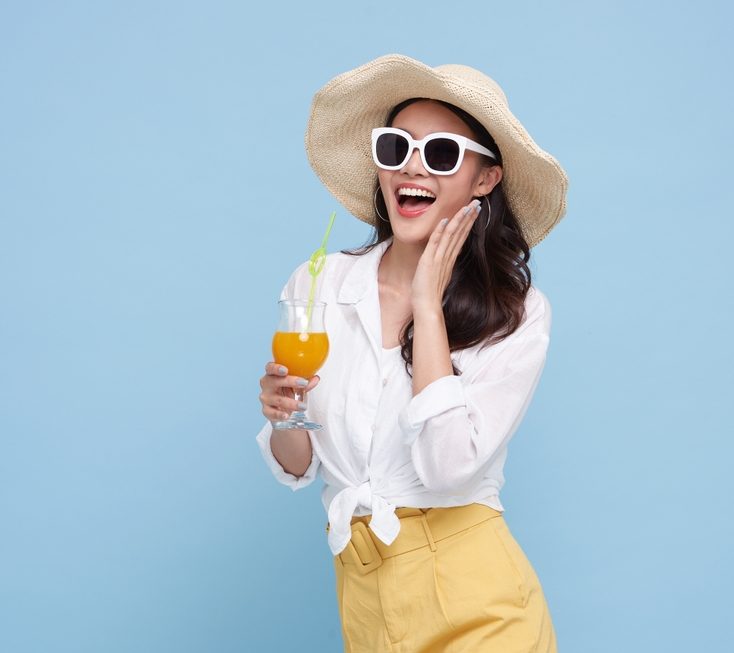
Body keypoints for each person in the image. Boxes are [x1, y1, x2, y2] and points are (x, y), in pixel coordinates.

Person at [255, 55, 568, 652]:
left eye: (442, 153)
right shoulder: (318, 285)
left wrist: (427, 308)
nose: (412, 167)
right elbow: (300, 467)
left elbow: (448, 469)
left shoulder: (518, 312)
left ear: (485, 179)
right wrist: (284, 413)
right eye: (396, 148)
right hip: (366, 599)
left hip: (478, 600)